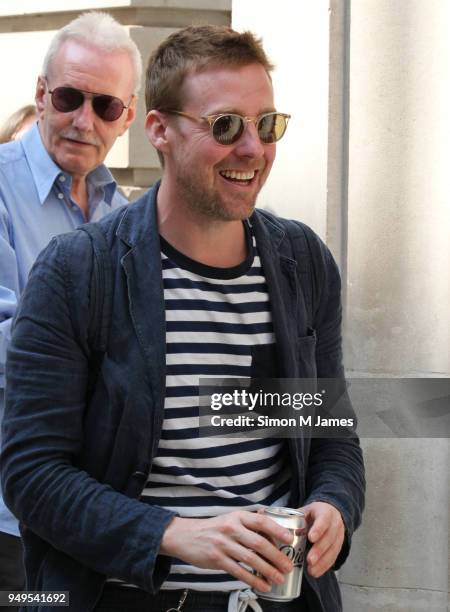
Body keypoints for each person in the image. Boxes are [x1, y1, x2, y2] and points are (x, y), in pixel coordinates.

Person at [1, 25, 364, 612]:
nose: (253, 148)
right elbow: (32, 475)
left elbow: (330, 437)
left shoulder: (303, 263)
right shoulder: (77, 271)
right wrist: (172, 534)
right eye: (225, 126)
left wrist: (334, 508)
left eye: (267, 124)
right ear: (158, 131)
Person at [0, 10, 140, 605]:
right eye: (68, 97)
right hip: (9, 520)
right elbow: (14, 354)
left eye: (105, 106)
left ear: (128, 116)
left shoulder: (126, 214)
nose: (85, 120)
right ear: (40, 93)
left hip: (94, 523)